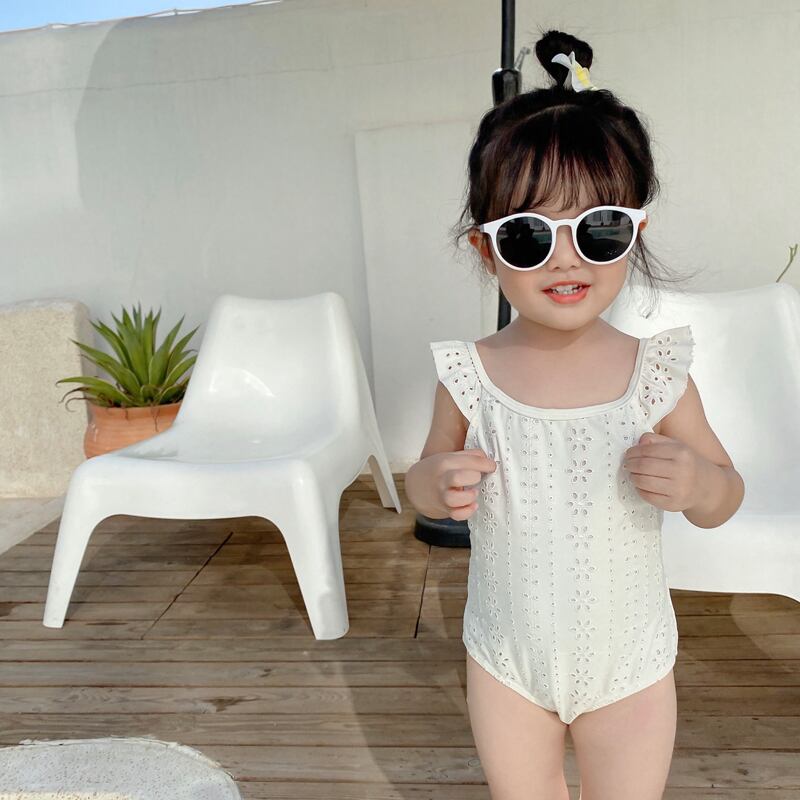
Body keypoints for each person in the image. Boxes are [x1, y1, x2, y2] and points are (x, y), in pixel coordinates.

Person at [404, 28, 745, 800]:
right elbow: (422, 478)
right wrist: (436, 483)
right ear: (486, 250)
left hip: (629, 666)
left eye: (598, 228)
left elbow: (726, 493)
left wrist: (698, 483)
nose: (566, 258)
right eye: (529, 236)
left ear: (634, 232)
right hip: (506, 661)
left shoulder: (656, 376)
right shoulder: (469, 376)